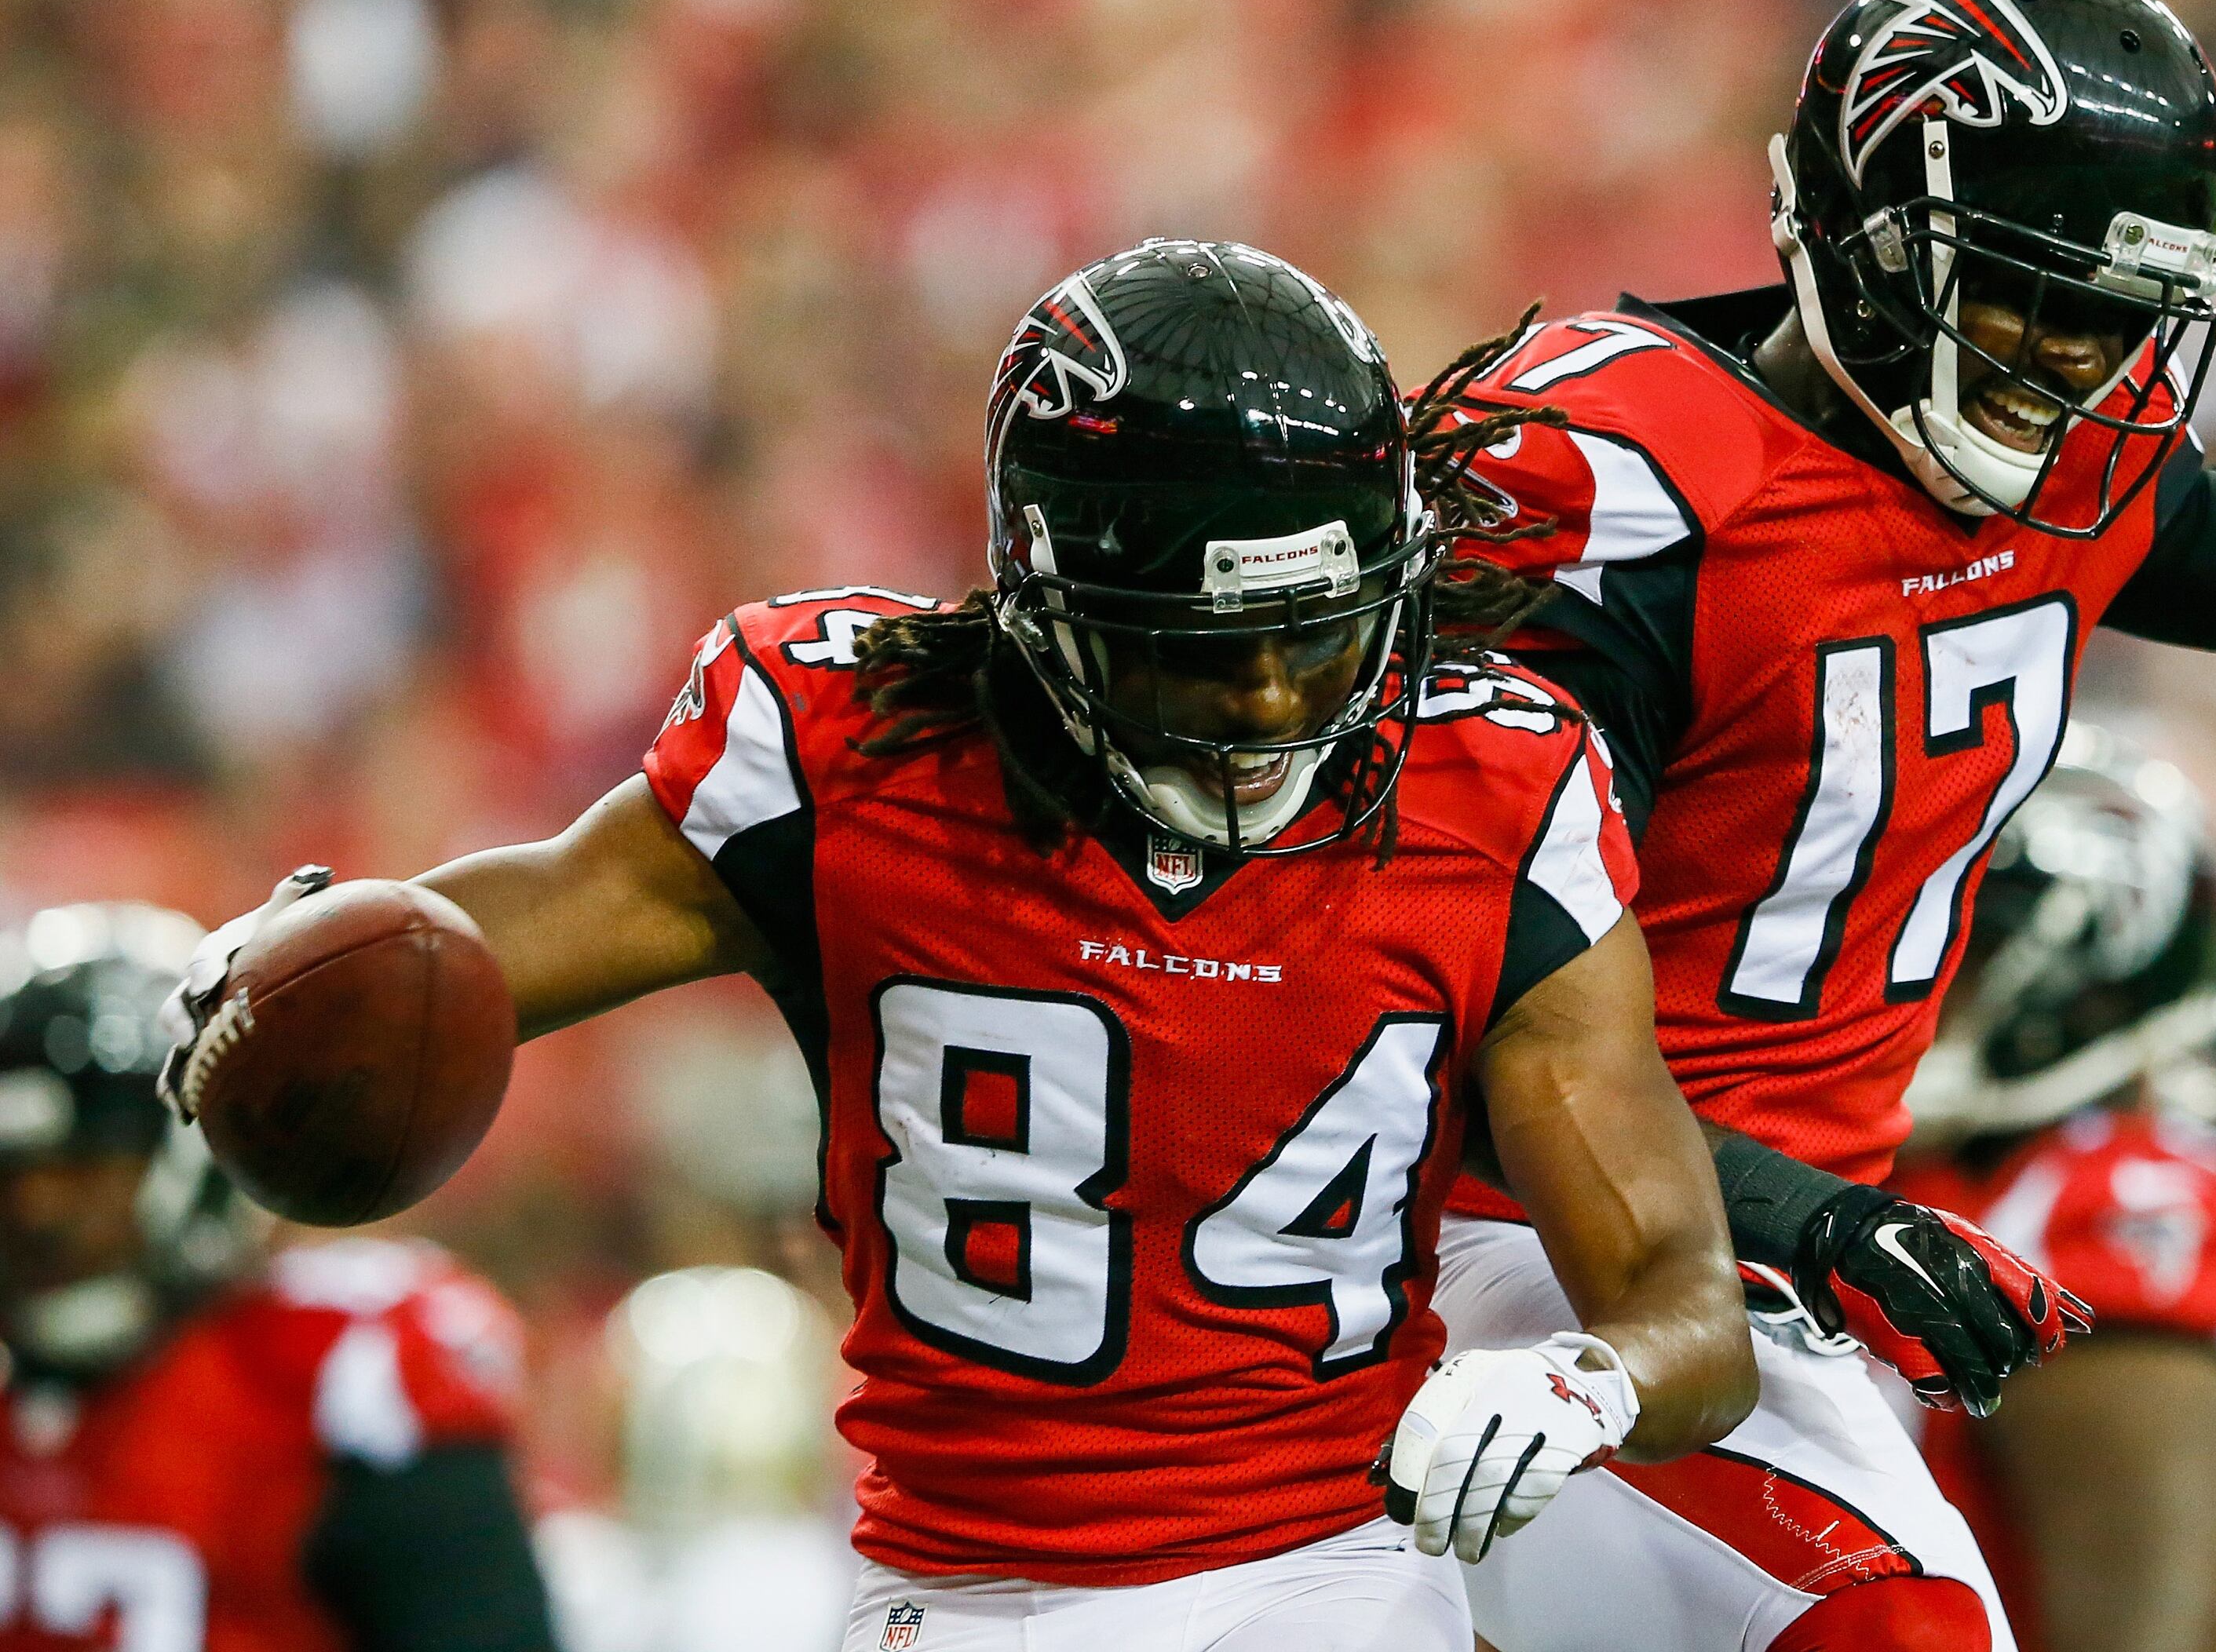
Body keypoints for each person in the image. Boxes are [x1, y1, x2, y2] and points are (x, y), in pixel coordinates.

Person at [160, 240, 1758, 1652]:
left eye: (1319, 633)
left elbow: (1686, 1299)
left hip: (1322, 1570)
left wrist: (1590, 1380)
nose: (1278, 702)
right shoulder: (848, 756)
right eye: (1210, 654)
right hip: (953, 1588)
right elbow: (464, 957)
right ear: (1050, 595)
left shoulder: (1497, 791)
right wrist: (287, 973)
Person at [1435, 0, 2216, 1643]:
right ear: (1870, 233)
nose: (2083, 361)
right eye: (2034, 299)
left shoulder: (2060, 471)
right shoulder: (1632, 489)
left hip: (1775, 1263)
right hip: (1512, 1227)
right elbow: (1455, 1002)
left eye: (2124, 316)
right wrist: (1814, 1220)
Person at [1898, 731, 2216, 1652]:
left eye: (1943, 940)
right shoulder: (1961, 1182)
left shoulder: (2126, 1205)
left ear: (2077, 993)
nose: (1882, 973)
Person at [0, 902, 556, 1652]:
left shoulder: (339, 1373)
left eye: (88, 1162)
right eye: (11, 1170)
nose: (36, 1211)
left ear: (198, 1158)